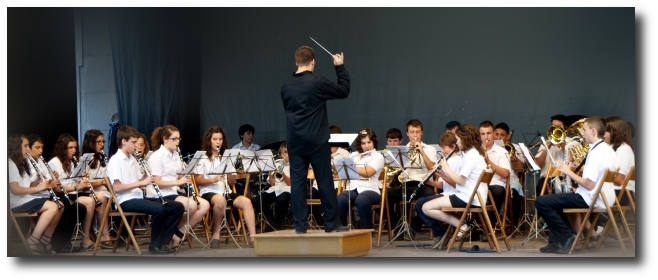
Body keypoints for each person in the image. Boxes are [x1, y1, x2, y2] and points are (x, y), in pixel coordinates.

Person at [280, 45, 350, 234]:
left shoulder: (286, 85)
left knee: (298, 183)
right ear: (313, 62)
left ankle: (300, 226)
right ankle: (331, 223)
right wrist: (339, 67)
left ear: (296, 62)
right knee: (325, 181)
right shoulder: (317, 82)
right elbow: (344, 91)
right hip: (317, 140)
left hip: (295, 141)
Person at [534, 116, 618, 254]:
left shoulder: (595, 152)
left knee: (541, 202)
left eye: (584, 130)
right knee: (557, 202)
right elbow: (594, 182)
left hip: (593, 198)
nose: (582, 133)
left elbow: (590, 185)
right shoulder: (608, 150)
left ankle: (567, 236)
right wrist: (578, 188)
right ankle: (556, 242)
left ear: (593, 131)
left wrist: (568, 171)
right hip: (603, 197)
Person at [106, 125, 184, 254]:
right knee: (159, 209)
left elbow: (138, 181)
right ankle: (154, 245)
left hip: (137, 196)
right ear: (124, 141)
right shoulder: (116, 160)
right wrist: (141, 182)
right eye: (134, 142)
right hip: (125, 200)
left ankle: (163, 241)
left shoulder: (132, 159)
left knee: (177, 207)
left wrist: (145, 176)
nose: (136, 146)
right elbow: (117, 188)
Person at [420, 124, 488, 243]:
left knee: (426, 207)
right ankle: (463, 225)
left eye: (458, 139)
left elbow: (460, 181)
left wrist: (446, 167)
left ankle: (462, 226)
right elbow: (460, 181)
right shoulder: (471, 153)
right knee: (426, 206)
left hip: (468, 197)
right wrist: (443, 174)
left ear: (464, 139)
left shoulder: (471, 156)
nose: (457, 142)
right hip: (471, 195)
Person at [194, 126, 257, 247]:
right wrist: (212, 179)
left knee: (247, 202)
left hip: (225, 191)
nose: (218, 142)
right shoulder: (203, 158)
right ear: (209, 140)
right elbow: (197, 180)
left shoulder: (226, 157)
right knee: (221, 201)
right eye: (215, 139)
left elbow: (231, 183)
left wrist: (229, 172)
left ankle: (253, 237)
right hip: (209, 191)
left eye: (220, 139)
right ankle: (216, 233)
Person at [148, 125, 210, 248]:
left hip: (173, 191)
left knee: (204, 205)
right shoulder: (157, 156)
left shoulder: (176, 154)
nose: (177, 142)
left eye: (179, 139)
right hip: (159, 193)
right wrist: (178, 182)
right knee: (192, 205)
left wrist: (189, 169)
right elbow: (156, 181)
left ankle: (177, 233)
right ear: (165, 139)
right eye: (174, 139)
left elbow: (177, 174)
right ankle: (170, 233)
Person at [9, 134, 65, 255]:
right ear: (15, 147)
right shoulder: (10, 164)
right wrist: (38, 188)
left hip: (25, 198)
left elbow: (28, 184)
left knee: (60, 205)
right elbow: (15, 190)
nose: (28, 149)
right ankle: (33, 240)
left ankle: (46, 239)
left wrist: (49, 179)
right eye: (25, 146)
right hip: (16, 201)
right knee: (52, 206)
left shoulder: (22, 164)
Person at [386, 119, 438, 237]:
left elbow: (433, 169)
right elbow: (394, 170)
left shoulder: (430, 149)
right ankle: (398, 226)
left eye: (417, 132)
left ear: (422, 133)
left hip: (422, 184)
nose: (415, 135)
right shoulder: (401, 150)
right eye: (412, 132)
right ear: (407, 133)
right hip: (405, 183)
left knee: (430, 194)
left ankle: (414, 228)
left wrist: (422, 152)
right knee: (385, 195)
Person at [48, 133, 97, 251]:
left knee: (90, 201)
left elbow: (74, 182)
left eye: (75, 148)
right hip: (61, 195)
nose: (74, 151)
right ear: (62, 148)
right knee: (83, 205)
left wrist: (82, 178)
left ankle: (85, 238)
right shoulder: (55, 162)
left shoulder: (72, 162)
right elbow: (56, 188)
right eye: (70, 148)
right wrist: (77, 187)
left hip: (73, 193)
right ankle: (64, 241)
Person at [415, 132, 461, 248]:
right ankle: (441, 231)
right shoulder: (446, 161)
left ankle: (440, 232)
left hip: (455, 195)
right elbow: (442, 185)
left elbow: (457, 185)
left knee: (420, 204)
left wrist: (443, 174)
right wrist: (429, 182)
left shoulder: (459, 161)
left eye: (444, 147)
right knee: (419, 203)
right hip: (446, 193)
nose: (442, 151)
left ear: (453, 147)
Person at [335, 128, 385, 229]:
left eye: (369, 142)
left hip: (371, 189)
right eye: (363, 143)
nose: (367, 146)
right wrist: (334, 162)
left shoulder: (378, 156)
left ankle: (368, 229)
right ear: (360, 144)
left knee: (361, 200)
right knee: (340, 199)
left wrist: (350, 165)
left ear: (374, 142)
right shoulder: (354, 155)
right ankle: (341, 228)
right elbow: (340, 170)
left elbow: (368, 172)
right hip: (353, 188)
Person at [80, 129, 112, 246]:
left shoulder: (102, 158)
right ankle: (104, 235)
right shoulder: (84, 160)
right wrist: (102, 183)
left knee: (103, 196)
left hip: (103, 191)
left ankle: (104, 234)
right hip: (88, 192)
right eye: (98, 142)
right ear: (90, 143)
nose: (102, 144)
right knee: (102, 198)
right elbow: (84, 185)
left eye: (102, 141)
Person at [254, 141, 292, 231]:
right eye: (281, 153)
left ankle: (278, 223)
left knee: (282, 200)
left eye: (286, 152)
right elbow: (272, 183)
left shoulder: (294, 165)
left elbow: (289, 183)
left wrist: (282, 172)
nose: (283, 155)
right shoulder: (277, 163)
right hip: (275, 189)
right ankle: (272, 223)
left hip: (287, 189)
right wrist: (271, 172)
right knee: (259, 200)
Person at [493, 122, 525, 230]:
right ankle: (490, 222)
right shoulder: (489, 148)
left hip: (511, 180)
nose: (498, 137)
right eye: (496, 134)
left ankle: (513, 224)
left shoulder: (514, 147)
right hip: (494, 179)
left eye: (502, 135)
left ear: (507, 136)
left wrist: (511, 155)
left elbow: (521, 168)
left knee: (514, 192)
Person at [604, 116, 635, 205]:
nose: (603, 134)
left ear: (615, 132)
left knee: (579, 195)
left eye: (606, 131)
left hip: (619, 194)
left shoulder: (623, 149)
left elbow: (619, 180)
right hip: (615, 192)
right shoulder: (614, 148)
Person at [535, 114, 568, 196]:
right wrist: (546, 148)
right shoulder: (545, 143)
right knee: (540, 186)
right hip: (547, 179)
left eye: (559, 126)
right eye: (553, 126)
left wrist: (563, 147)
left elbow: (573, 162)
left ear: (565, 128)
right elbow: (538, 165)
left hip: (565, 179)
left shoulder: (571, 142)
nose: (556, 129)